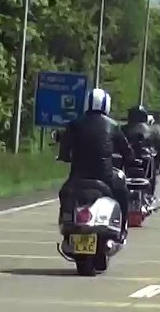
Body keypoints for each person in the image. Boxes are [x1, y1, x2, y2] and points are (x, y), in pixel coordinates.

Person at [57, 88, 134, 238]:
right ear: (107, 105)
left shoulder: (74, 124)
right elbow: (127, 151)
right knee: (123, 193)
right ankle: (123, 228)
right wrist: (129, 158)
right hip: (105, 177)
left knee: (64, 193)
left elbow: (64, 151)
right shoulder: (113, 125)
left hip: (78, 178)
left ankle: (66, 227)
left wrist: (66, 157)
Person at [123, 105, 160, 195]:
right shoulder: (153, 131)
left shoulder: (123, 129)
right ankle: (150, 194)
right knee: (153, 165)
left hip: (126, 164)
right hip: (142, 166)